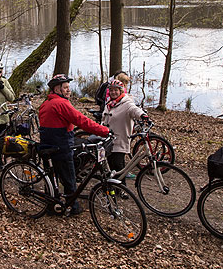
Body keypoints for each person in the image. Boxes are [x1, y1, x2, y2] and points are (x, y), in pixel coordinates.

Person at [39, 74, 110, 215]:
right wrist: (104, 131)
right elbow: (81, 120)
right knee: (69, 179)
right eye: (65, 88)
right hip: (61, 146)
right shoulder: (61, 103)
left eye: (68, 88)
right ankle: (73, 207)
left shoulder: (46, 102)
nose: (68, 90)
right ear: (56, 89)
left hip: (47, 144)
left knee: (53, 175)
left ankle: (51, 204)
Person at [101, 80, 148, 180]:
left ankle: (122, 189)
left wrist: (143, 115)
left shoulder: (127, 104)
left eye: (116, 90)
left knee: (119, 166)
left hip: (120, 140)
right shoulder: (109, 104)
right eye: (111, 90)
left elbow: (134, 110)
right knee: (110, 166)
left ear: (121, 91)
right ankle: (112, 188)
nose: (113, 92)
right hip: (108, 140)